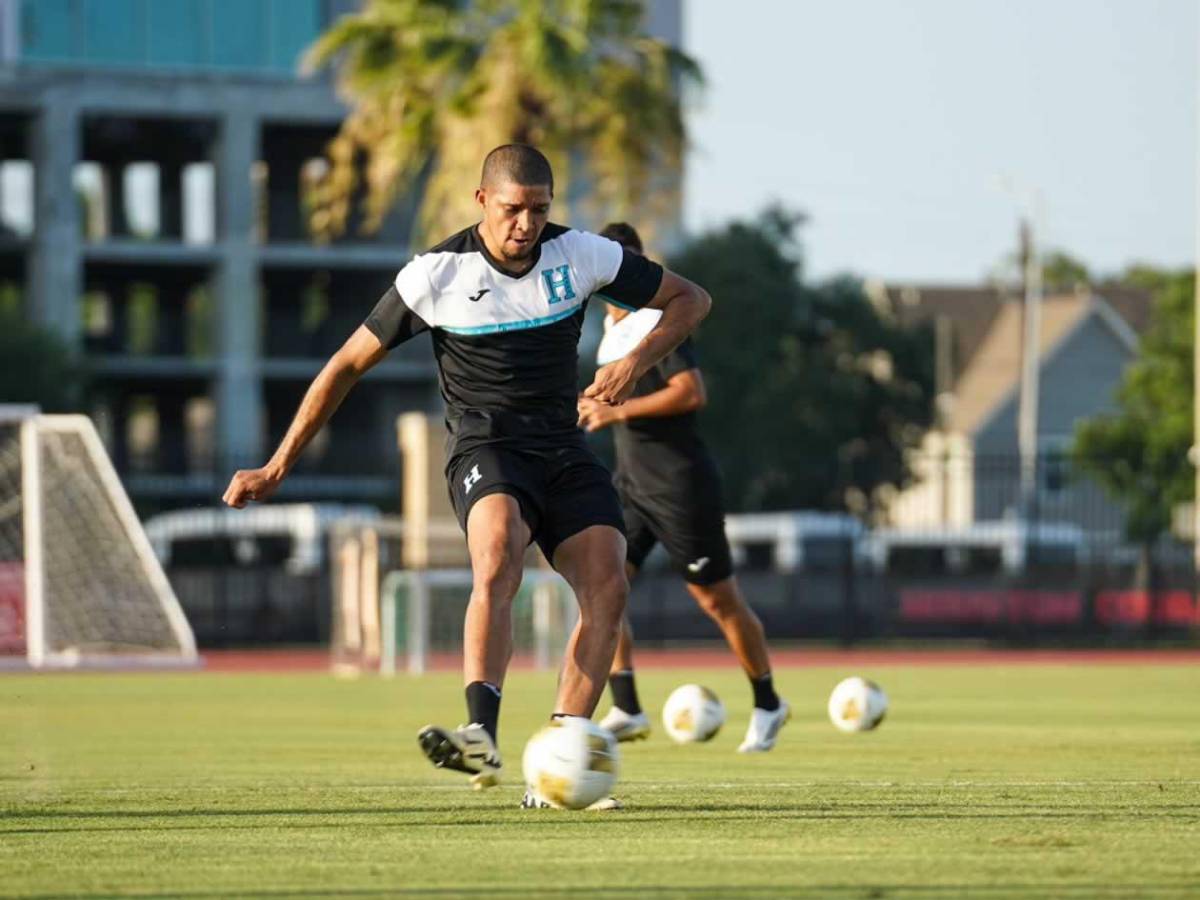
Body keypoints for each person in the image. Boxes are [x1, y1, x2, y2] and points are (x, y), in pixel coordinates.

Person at [222, 146, 711, 803]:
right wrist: (278, 463)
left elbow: (691, 298)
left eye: (540, 209)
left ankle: (564, 749)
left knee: (608, 585)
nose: (527, 223)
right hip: (487, 449)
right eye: (513, 209)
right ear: (482, 201)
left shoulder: (584, 255)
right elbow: (343, 365)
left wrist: (635, 361)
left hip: (563, 450)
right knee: (498, 554)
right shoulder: (434, 275)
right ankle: (480, 731)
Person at [577, 222, 789, 753]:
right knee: (600, 587)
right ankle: (626, 704)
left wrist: (616, 410)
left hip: (678, 485)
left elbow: (690, 393)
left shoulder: (656, 321)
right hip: (629, 486)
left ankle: (768, 702)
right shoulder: (607, 328)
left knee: (717, 600)